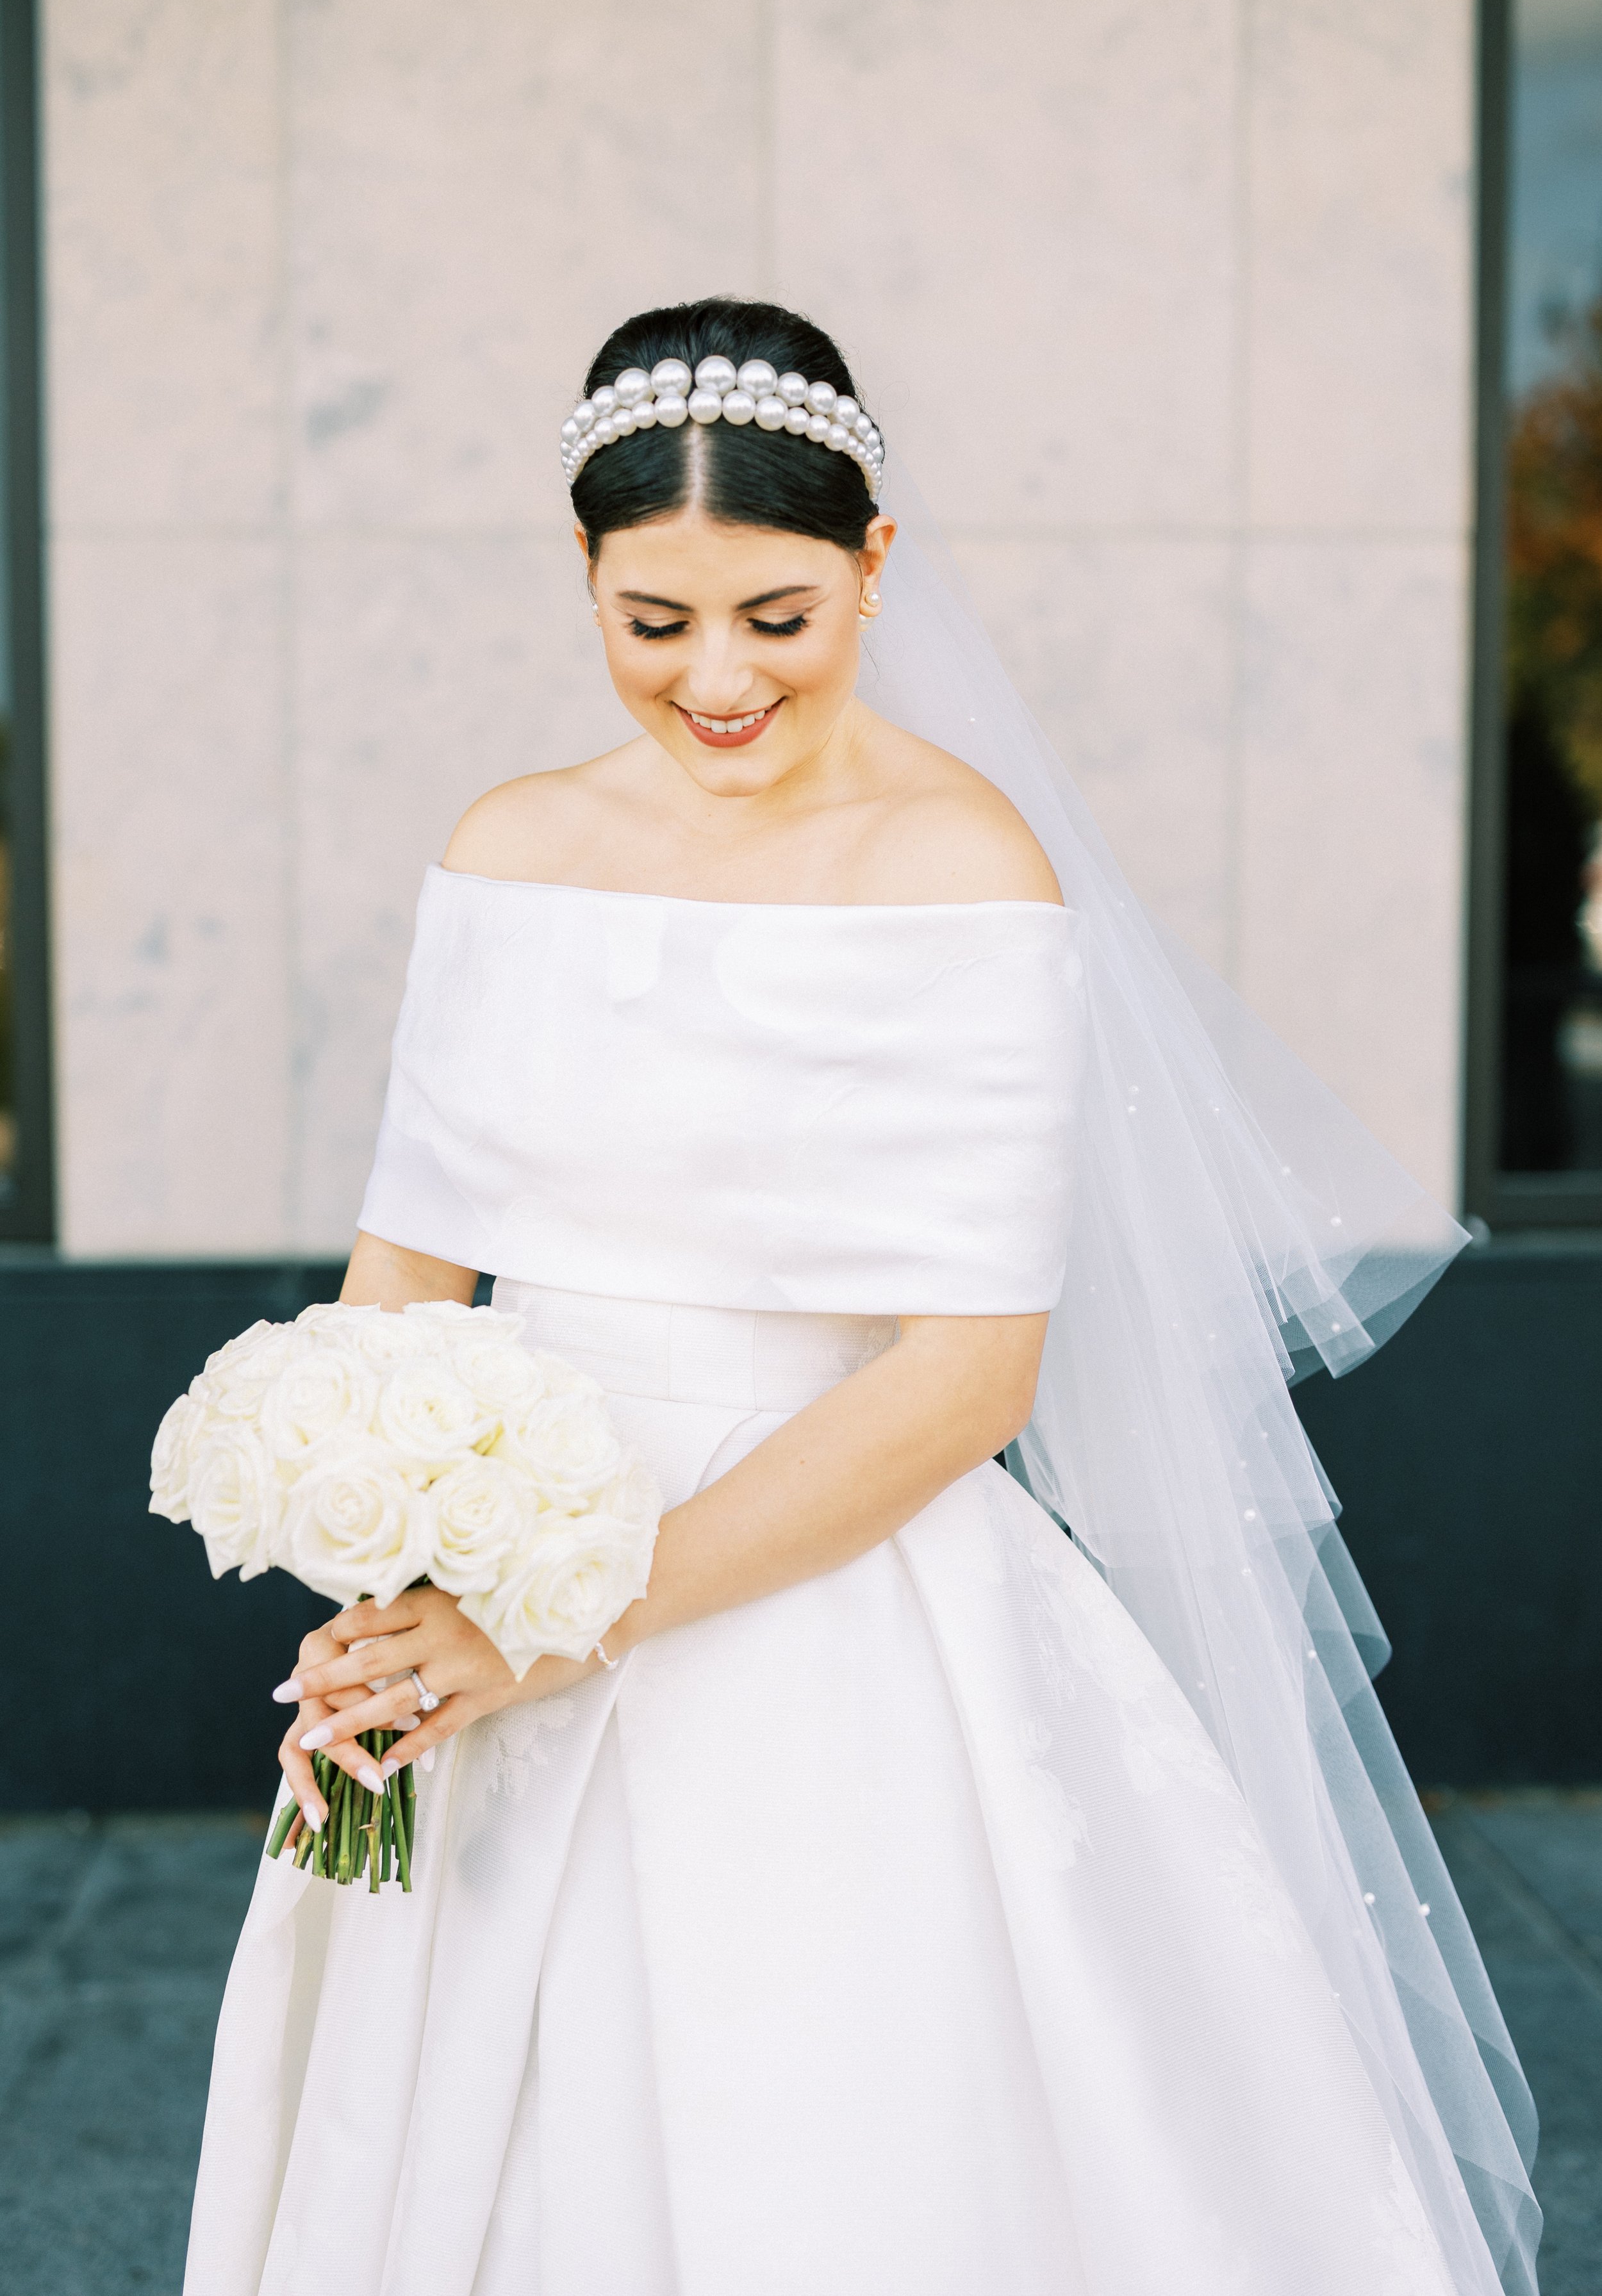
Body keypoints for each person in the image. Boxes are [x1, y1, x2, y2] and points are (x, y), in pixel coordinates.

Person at [185, 298, 1539, 2296]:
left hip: (830, 1591)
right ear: (583, 574)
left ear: (875, 568)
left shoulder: (960, 870)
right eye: (652, 622)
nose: (714, 678)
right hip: (486, 1569)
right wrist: (383, 1598)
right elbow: (407, 1276)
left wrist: (559, 1626)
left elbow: (967, 1379)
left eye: (777, 616)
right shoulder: (511, 846)